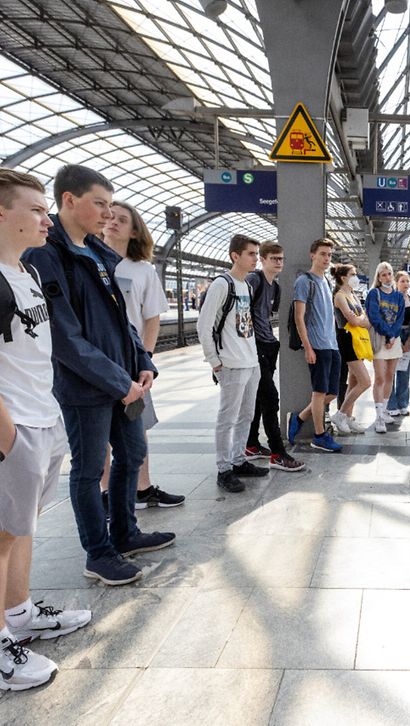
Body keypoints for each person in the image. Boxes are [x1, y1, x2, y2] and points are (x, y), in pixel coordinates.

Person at [23, 164, 172, 587]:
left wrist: (143, 360)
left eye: (111, 204)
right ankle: (98, 551)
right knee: (89, 470)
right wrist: (118, 381)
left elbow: (121, 320)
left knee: (132, 454)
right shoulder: (46, 257)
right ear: (68, 200)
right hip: (85, 386)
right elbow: (65, 338)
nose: (108, 213)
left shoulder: (96, 253)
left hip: (123, 379)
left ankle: (125, 533)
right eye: (100, 203)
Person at [0, 168, 92, 691]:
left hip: (41, 416)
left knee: (21, 528)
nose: (45, 218)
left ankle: (19, 612)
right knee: (2, 534)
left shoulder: (26, 273)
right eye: (35, 209)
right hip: (15, 426)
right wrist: (8, 436)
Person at [100, 201, 186, 508]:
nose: (113, 222)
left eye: (122, 219)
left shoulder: (143, 270)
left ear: (135, 231)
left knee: (137, 426)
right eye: (109, 216)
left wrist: (145, 359)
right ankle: (107, 492)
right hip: (97, 361)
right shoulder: (85, 259)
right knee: (99, 433)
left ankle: (142, 487)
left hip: (131, 362)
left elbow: (151, 318)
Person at [197, 234, 268, 493]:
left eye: (256, 254)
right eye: (251, 254)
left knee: (247, 416)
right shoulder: (221, 284)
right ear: (234, 256)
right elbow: (203, 326)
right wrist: (215, 362)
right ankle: (223, 468)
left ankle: (239, 460)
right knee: (227, 417)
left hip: (251, 362)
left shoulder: (247, 286)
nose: (255, 259)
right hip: (230, 363)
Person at [243, 241, 304, 471]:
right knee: (270, 398)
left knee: (259, 399)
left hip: (268, 346)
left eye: (281, 259)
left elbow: (266, 316)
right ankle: (278, 453)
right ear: (263, 259)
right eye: (274, 258)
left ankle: (251, 445)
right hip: (254, 346)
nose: (279, 262)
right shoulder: (254, 280)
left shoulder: (275, 287)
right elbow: (241, 315)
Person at [288, 238, 343, 453]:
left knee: (332, 392)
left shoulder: (326, 282)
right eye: (323, 254)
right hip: (317, 345)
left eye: (329, 255)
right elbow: (298, 317)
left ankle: (299, 418)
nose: (327, 258)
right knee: (319, 392)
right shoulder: (304, 281)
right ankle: (319, 436)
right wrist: (308, 347)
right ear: (313, 255)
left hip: (332, 344)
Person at [365, 261, 405, 434]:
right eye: (383, 274)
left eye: (389, 273)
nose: (387, 277)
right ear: (379, 278)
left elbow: (400, 319)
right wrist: (388, 334)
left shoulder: (398, 296)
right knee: (380, 377)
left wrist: (393, 335)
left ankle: (385, 409)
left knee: (390, 376)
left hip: (394, 340)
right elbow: (374, 317)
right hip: (380, 338)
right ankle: (378, 416)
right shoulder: (374, 293)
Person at [331, 264, 371, 434]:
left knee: (354, 380)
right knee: (365, 381)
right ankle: (340, 414)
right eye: (352, 274)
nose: (356, 277)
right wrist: (361, 318)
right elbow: (354, 320)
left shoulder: (352, 294)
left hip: (358, 340)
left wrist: (360, 318)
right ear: (343, 277)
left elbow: (364, 319)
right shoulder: (340, 296)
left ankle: (348, 416)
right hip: (347, 340)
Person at [387, 272, 410, 417]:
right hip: (394, 334)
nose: (406, 284)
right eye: (403, 281)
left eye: (407, 281)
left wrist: (409, 340)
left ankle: (403, 403)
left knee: (404, 371)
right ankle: (390, 404)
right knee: (390, 371)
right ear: (396, 283)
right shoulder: (391, 299)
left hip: (407, 335)